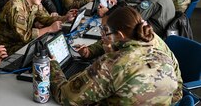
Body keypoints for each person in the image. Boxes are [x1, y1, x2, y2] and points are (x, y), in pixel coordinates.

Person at [50, 6, 183, 105]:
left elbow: (66, 97)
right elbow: (177, 94)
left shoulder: (111, 64)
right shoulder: (161, 52)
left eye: (106, 31)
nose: (103, 34)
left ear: (120, 35)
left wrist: (53, 67)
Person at [0, 0, 76, 55]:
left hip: (21, 39)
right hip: (7, 46)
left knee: (51, 45)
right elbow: (25, 37)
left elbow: (46, 18)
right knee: (43, 50)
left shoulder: (35, 2)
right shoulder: (16, 7)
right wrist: (50, 29)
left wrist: (65, 18)